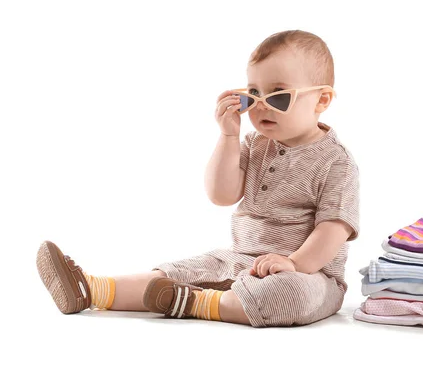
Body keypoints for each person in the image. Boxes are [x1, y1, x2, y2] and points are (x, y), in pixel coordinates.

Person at [36, 29, 360, 327]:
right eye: (252, 94)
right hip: (240, 258)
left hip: (309, 273)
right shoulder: (254, 145)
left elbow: (332, 230)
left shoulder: (336, 162)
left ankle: (198, 303)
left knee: (289, 294)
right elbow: (221, 195)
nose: (261, 107)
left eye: (278, 96)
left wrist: (293, 264)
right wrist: (229, 137)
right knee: (183, 269)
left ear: (321, 100)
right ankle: (93, 289)